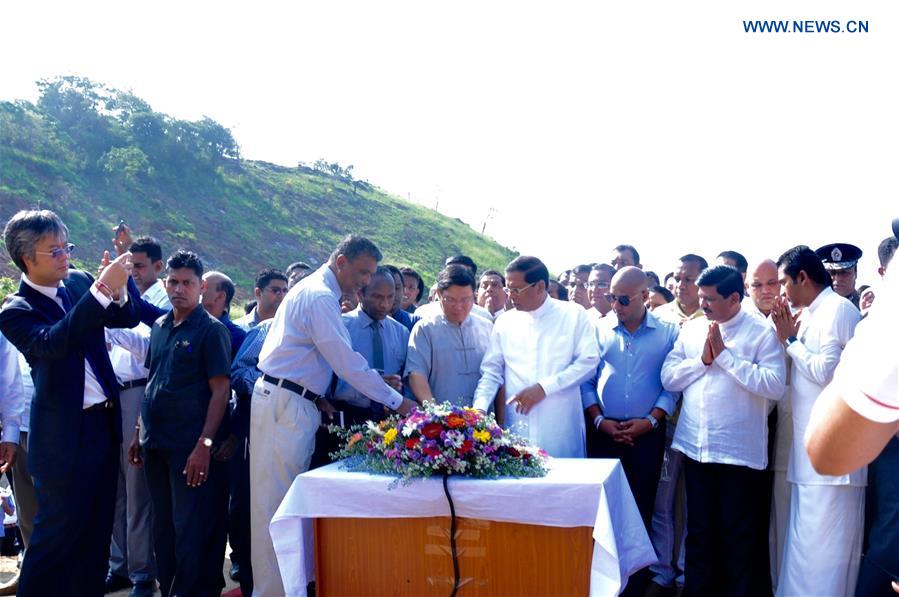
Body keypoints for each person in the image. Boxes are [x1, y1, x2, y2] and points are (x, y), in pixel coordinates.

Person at [250, 235, 417, 597]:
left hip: (299, 402)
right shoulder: (320, 297)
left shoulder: (320, 293)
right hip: (285, 404)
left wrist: (321, 394)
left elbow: (322, 361)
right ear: (340, 262)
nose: (365, 282)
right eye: (362, 273)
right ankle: (274, 592)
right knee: (277, 508)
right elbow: (347, 363)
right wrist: (398, 402)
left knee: (285, 505)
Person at [0, 209, 140, 595]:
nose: (65, 257)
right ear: (27, 259)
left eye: (67, 247)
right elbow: (55, 343)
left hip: (102, 426)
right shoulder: (16, 310)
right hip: (62, 439)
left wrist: (121, 285)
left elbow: (126, 318)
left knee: (95, 538)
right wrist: (101, 291)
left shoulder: (78, 283)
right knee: (54, 542)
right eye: (54, 251)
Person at [661, 265, 786, 597]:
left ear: (734, 298)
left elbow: (775, 386)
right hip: (696, 448)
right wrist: (701, 361)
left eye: (710, 299)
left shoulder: (761, 332)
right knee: (700, 532)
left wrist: (726, 359)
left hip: (739, 455)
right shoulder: (692, 330)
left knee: (738, 537)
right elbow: (669, 378)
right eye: (701, 297)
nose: (703, 304)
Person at [125, 250, 232, 597]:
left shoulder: (210, 331)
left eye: (187, 283)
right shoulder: (158, 326)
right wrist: (139, 431)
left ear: (201, 287)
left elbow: (220, 391)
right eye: (173, 281)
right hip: (156, 444)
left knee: (190, 528)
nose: (178, 289)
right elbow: (153, 380)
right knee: (163, 528)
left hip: (190, 450)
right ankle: (169, 589)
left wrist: (204, 445)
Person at [771, 245, 864, 596]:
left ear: (803, 278)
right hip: (808, 456)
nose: (782, 291)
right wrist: (785, 338)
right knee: (802, 554)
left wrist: (791, 341)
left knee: (826, 560)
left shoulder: (839, 311)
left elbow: (830, 373)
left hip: (836, 464)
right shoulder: (809, 312)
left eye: (783, 282)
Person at [580, 268, 677, 537]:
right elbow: (586, 381)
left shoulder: (669, 334)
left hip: (647, 435)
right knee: (603, 510)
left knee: (642, 505)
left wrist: (650, 421)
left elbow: (672, 387)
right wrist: (599, 421)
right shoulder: (598, 331)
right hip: (603, 433)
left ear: (645, 295)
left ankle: (638, 578)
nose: (615, 306)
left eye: (623, 299)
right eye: (611, 297)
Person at [473, 256, 599, 457]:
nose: (511, 296)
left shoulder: (573, 315)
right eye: (508, 289)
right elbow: (491, 372)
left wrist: (544, 388)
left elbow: (588, 363)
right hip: (518, 426)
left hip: (560, 426)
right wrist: (479, 408)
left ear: (540, 286)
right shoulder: (505, 322)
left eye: (516, 290)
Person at [106, 234, 171, 596]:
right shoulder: (124, 295)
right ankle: (121, 566)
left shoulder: (163, 300)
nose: (132, 271)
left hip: (140, 392)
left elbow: (148, 347)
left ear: (158, 267)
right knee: (116, 488)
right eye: (129, 266)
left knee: (137, 491)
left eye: (139, 265)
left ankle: (143, 572)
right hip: (113, 396)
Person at [647, 253, 707, 593]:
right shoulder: (660, 317)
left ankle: (686, 570)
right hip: (666, 423)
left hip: (700, 425)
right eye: (677, 278)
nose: (680, 285)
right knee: (663, 501)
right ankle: (661, 569)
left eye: (688, 279)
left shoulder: (713, 316)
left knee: (694, 504)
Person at [747, 258, 792, 588]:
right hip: (746, 432)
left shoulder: (795, 317)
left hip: (783, 428)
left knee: (776, 514)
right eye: (757, 284)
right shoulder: (735, 321)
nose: (765, 290)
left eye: (772, 283)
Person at [329, 266, 408, 429]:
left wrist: (395, 388)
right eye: (377, 297)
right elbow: (329, 379)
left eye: (390, 297)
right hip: (346, 417)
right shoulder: (341, 327)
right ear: (360, 294)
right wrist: (374, 384)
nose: (384, 304)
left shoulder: (401, 333)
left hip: (387, 421)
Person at [407, 265, 494, 407]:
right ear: (439, 295)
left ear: (475, 295)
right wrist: (435, 413)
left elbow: (497, 375)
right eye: (451, 299)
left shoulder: (487, 328)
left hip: (484, 423)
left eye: (466, 299)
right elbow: (416, 375)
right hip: (443, 424)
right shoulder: (425, 329)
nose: (458, 306)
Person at [201, 271, 246, 358]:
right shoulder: (185, 324)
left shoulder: (237, 336)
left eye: (203, 286)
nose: (197, 290)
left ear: (221, 296)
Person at [816, 242, 864, 309]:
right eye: (831, 273)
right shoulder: (817, 309)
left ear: (855, 273)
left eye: (844, 272)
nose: (838, 278)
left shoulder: (868, 306)